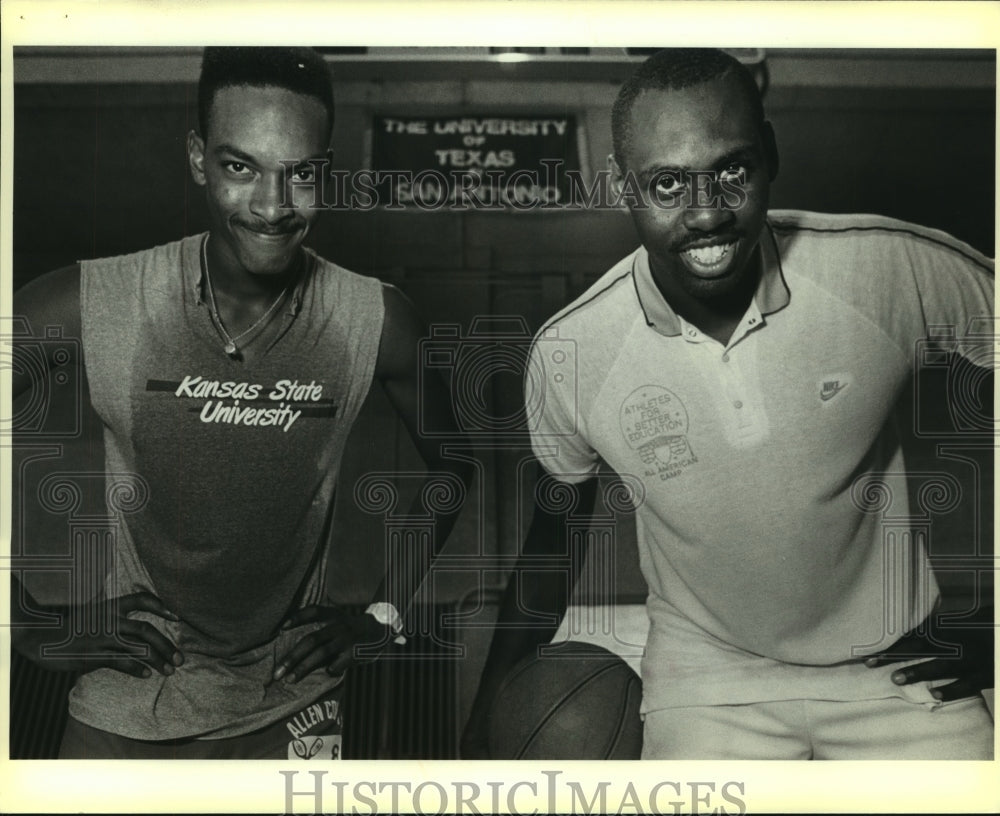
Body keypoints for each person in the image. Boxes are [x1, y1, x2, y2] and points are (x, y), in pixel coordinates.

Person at [463, 48, 994, 760]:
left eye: (733, 171)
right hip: (708, 678)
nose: (706, 211)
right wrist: (484, 728)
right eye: (667, 183)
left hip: (897, 661)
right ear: (624, 187)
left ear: (769, 154)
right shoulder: (575, 349)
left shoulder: (885, 267)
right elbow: (552, 539)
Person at [10, 46, 471, 759]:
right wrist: (24, 622)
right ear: (198, 158)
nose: (272, 206)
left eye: (301, 174)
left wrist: (386, 612)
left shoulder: (376, 320)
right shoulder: (92, 301)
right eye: (239, 166)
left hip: (291, 705)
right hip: (128, 703)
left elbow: (454, 464)